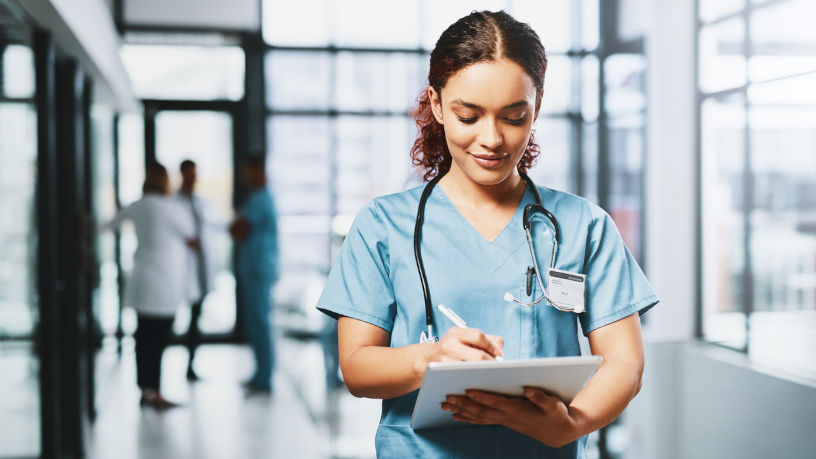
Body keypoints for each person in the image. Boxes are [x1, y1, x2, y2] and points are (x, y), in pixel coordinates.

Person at [315, 10, 658, 458]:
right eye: (468, 116)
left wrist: (572, 423)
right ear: (437, 105)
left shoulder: (583, 226)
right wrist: (430, 358)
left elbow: (625, 363)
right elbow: (357, 368)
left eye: (514, 117)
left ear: (536, 108)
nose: (492, 139)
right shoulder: (383, 225)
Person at [107, 162, 195, 409]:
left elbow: (112, 223)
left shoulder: (139, 205)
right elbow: (189, 233)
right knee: (157, 338)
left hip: (142, 278)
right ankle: (154, 391)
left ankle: (145, 389)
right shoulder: (170, 208)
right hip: (163, 282)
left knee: (143, 337)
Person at [230, 156, 279, 393]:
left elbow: (238, 229)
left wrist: (237, 222)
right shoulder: (255, 198)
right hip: (255, 266)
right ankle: (261, 372)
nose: (246, 176)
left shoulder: (261, 200)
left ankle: (264, 376)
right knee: (257, 321)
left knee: (260, 322)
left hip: (259, 268)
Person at [176, 159, 216, 381]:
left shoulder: (201, 202)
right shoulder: (173, 202)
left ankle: (190, 366)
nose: (193, 177)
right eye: (190, 173)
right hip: (181, 269)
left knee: (195, 319)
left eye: (195, 173)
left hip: (199, 269)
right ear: (182, 174)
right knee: (172, 318)